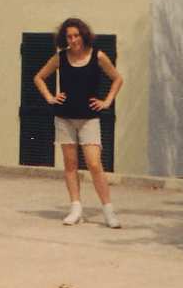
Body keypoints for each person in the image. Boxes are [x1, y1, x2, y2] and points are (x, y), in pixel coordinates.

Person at [33, 17, 124, 228]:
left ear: (83, 35)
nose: (73, 40)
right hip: (64, 117)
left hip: (89, 118)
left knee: (94, 164)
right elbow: (39, 77)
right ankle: (75, 208)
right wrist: (50, 97)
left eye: (76, 35)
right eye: (69, 36)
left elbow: (117, 78)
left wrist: (107, 101)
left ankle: (108, 211)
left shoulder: (98, 56)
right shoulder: (60, 57)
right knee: (70, 165)